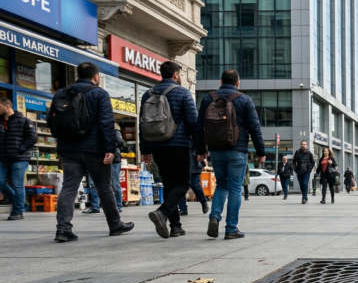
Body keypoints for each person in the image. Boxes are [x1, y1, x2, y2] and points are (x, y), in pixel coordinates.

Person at [51, 62, 134, 242]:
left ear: (77, 76)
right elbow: (106, 123)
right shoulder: (99, 93)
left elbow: (54, 121)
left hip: (68, 148)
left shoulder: (61, 93)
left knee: (69, 187)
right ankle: (114, 224)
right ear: (96, 77)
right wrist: (109, 148)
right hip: (94, 149)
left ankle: (63, 229)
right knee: (104, 187)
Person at [140, 61, 205, 239]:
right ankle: (162, 213)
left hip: (156, 145)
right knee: (184, 183)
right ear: (176, 75)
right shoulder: (182, 92)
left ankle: (176, 226)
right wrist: (201, 148)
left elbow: (142, 124)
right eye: (180, 74)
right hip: (179, 144)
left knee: (169, 184)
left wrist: (145, 149)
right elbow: (193, 123)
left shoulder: (147, 94)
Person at [198, 69, 266, 240]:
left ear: (221, 82)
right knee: (235, 189)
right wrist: (261, 152)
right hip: (237, 150)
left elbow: (198, 127)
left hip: (215, 150)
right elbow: (255, 128)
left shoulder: (208, 98)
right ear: (238, 83)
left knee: (221, 185)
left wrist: (201, 150)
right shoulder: (244, 100)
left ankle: (214, 217)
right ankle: (231, 229)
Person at [0, 97, 37, 220]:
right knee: (0, 182)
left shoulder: (23, 121)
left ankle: (18, 211)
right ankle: (19, 201)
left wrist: (20, 149)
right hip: (2, 158)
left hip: (19, 158)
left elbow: (32, 138)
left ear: (7, 106)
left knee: (17, 184)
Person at [178, 147, 210, 216]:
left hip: (194, 158)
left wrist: (201, 152)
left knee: (195, 185)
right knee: (181, 186)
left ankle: (203, 201)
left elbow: (201, 139)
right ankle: (182, 208)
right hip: (182, 157)